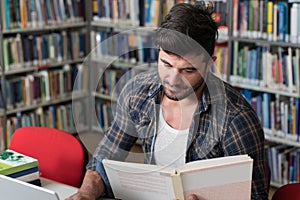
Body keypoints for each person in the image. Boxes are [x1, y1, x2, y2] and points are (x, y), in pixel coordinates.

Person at [67, 2, 268, 200]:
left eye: (188, 70)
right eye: (166, 64)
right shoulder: (137, 93)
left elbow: (255, 196)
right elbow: (106, 156)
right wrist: (85, 193)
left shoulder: (236, 119)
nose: (172, 80)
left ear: (209, 64)